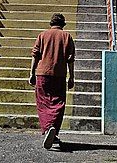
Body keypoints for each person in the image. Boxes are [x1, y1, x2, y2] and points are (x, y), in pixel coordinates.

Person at [29, 13, 75, 150]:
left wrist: (31, 73)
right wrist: (71, 77)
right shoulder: (67, 37)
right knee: (58, 102)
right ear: (63, 24)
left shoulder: (42, 35)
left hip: (42, 73)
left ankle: (48, 129)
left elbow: (35, 55)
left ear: (51, 23)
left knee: (43, 102)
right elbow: (70, 59)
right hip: (59, 75)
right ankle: (53, 129)